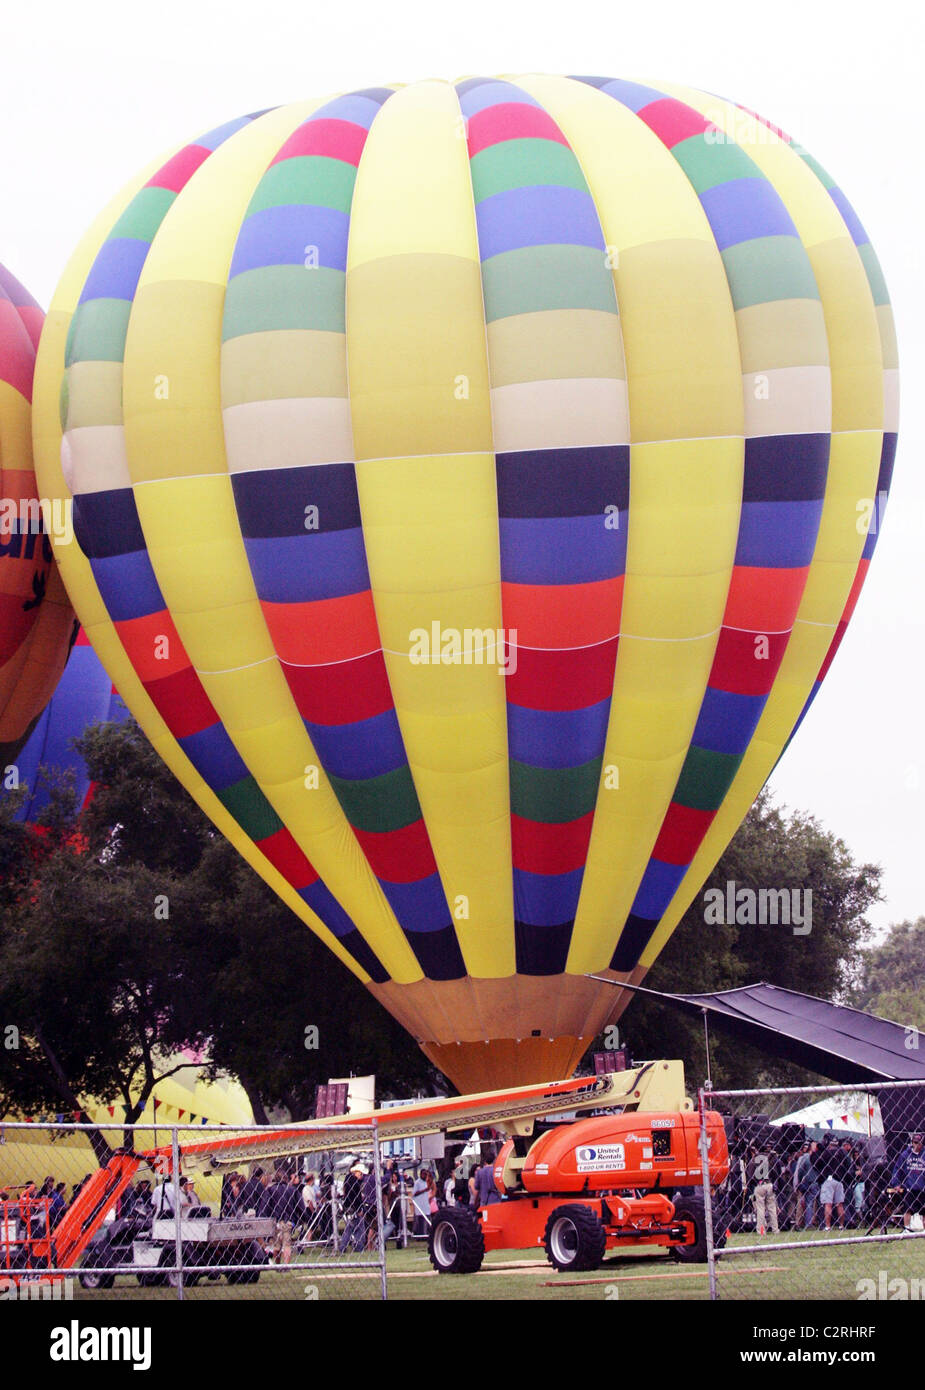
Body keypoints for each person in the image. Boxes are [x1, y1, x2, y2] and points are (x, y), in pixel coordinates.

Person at [890, 1131, 925, 1231]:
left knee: (924, 1211)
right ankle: (907, 1229)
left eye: (918, 1143)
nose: (916, 1145)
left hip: (922, 1187)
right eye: (915, 1142)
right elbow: (897, 1169)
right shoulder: (905, 1155)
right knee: (908, 1209)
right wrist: (896, 1183)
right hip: (909, 1186)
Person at [795, 1141, 820, 1230]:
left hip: (808, 1182)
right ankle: (812, 1222)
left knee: (808, 1203)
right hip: (815, 1182)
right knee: (814, 1204)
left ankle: (807, 1223)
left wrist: (799, 1182)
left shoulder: (805, 1158)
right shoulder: (817, 1157)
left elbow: (800, 1170)